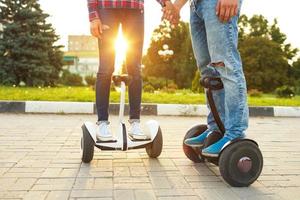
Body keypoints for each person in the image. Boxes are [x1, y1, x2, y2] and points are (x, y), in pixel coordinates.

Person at [163, 0, 249, 157]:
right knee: (208, 71)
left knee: (226, 65)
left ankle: (235, 132)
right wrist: (177, 6)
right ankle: (217, 128)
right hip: (196, 6)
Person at [87, 0, 169, 141]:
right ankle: (102, 123)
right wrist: (94, 16)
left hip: (134, 7)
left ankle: (135, 122)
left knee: (135, 68)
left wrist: (166, 3)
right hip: (107, 6)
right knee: (106, 68)